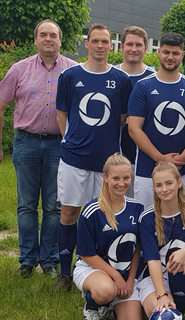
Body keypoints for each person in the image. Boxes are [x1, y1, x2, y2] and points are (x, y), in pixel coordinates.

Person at [0, 19, 77, 278]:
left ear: (60, 40)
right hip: (26, 143)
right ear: (35, 39)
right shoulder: (19, 69)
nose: (48, 39)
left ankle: (49, 261)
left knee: (54, 206)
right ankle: (27, 260)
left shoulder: (73, 71)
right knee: (26, 205)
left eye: (53, 35)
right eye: (43, 34)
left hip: (59, 146)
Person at [54, 23, 132, 291]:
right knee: (69, 213)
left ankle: (102, 270)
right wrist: (70, 141)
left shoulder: (121, 79)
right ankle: (65, 273)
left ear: (112, 45)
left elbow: (122, 117)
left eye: (105, 41)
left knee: (106, 215)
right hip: (74, 160)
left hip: (108, 162)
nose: (100, 45)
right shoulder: (70, 75)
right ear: (86, 44)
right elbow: (62, 114)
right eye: (95, 41)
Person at [128, 32, 185, 207]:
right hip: (148, 169)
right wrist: (161, 158)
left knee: (184, 218)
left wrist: (181, 158)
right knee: (146, 218)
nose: (170, 57)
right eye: (166, 52)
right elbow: (134, 129)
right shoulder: (143, 86)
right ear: (158, 52)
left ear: (182, 55)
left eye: (175, 53)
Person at [73, 154, 145, 320]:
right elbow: (87, 254)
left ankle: (111, 306)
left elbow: (137, 248)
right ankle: (93, 306)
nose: (122, 183)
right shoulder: (92, 211)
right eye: (116, 178)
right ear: (105, 177)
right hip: (93, 269)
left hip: (125, 274)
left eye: (126, 178)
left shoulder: (137, 208)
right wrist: (116, 277)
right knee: (106, 291)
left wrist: (130, 281)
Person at [137, 162, 185, 317]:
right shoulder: (147, 218)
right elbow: (153, 260)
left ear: (179, 183)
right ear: (154, 188)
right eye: (159, 185)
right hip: (153, 277)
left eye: (169, 183)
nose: (164, 189)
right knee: (164, 315)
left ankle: (179, 307)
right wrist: (162, 295)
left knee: (183, 262)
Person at [116, 26, 154, 198]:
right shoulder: (110, 74)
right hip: (113, 153)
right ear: (121, 47)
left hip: (144, 156)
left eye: (138, 45)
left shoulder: (154, 78)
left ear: (146, 48)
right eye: (129, 44)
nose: (134, 49)